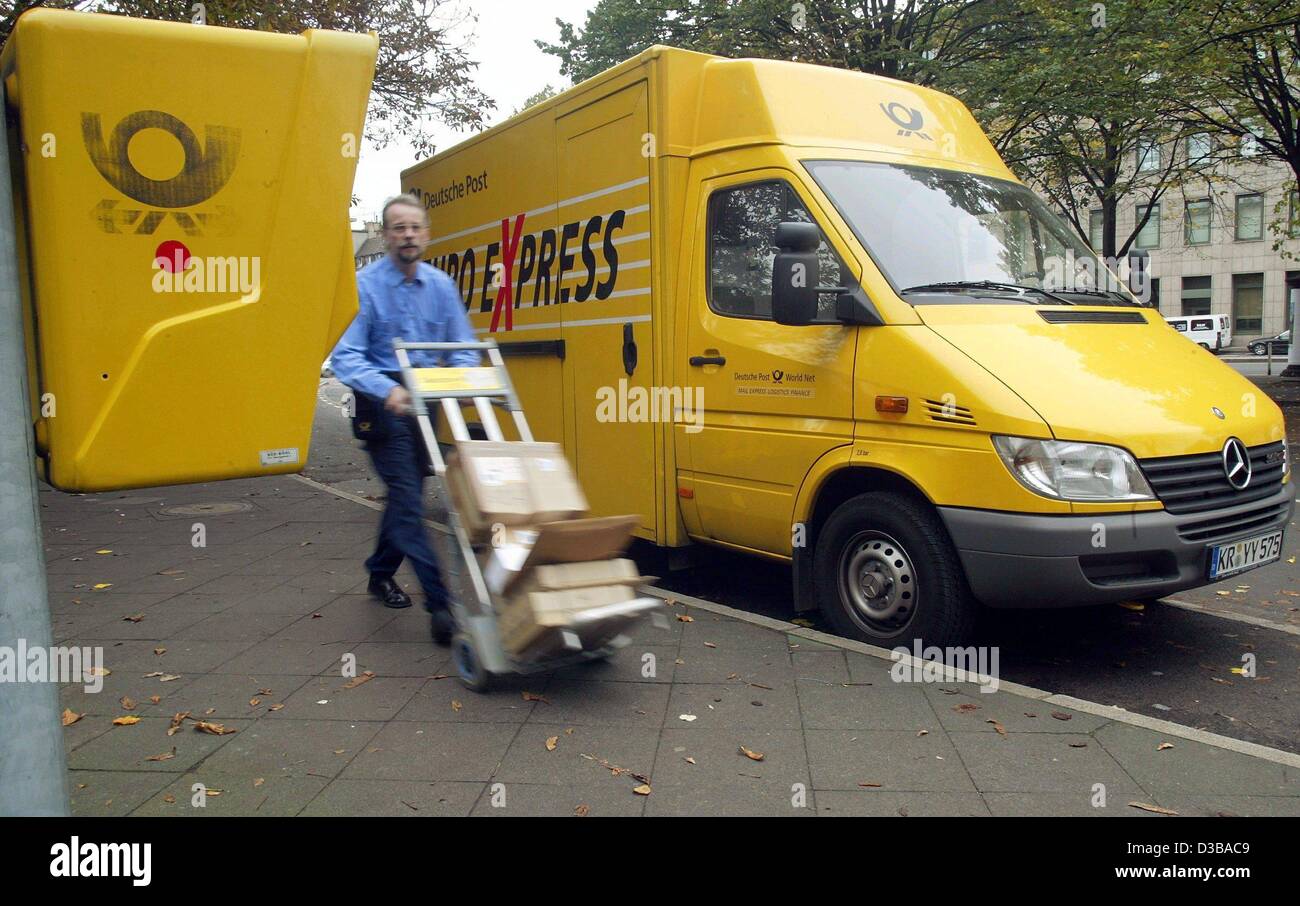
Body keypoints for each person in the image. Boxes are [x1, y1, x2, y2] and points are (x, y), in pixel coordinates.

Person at [331, 193, 479, 645]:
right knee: (408, 499)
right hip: (383, 404)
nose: (408, 235)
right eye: (399, 228)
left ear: (427, 234)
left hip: (427, 402)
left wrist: (467, 376)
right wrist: (387, 388)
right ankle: (441, 604)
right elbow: (345, 357)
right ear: (385, 234)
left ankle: (379, 573)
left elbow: (464, 347)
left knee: (406, 495)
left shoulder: (441, 286)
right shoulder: (366, 286)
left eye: (415, 227)